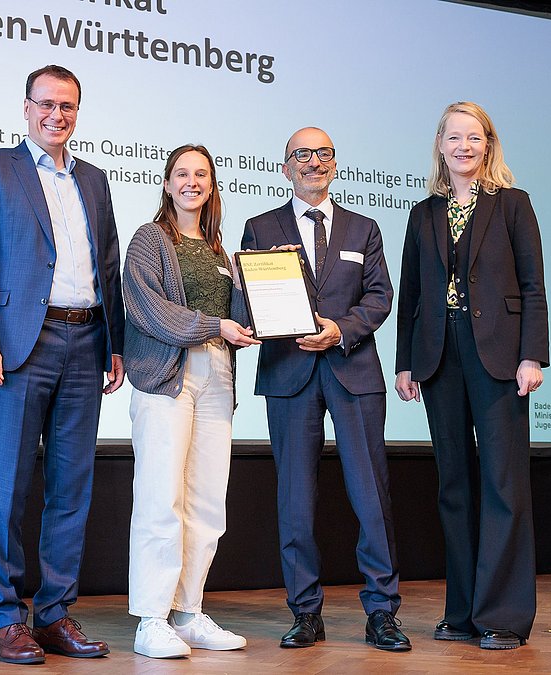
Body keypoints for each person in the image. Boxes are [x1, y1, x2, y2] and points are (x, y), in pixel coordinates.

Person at [0, 64, 125, 666]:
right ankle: (7, 619)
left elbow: (109, 269)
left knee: (71, 490)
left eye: (69, 106)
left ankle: (53, 616)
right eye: (47, 104)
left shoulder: (96, 180)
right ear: (26, 108)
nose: (58, 115)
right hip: (21, 345)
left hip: (86, 343)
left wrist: (115, 343)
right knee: (7, 488)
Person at [242, 127, 410, 652]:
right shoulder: (260, 227)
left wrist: (341, 329)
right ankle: (305, 613)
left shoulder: (365, 228)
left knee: (371, 495)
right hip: (289, 374)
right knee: (295, 498)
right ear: (285, 167)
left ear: (334, 163)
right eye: (302, 155)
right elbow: (246, 306)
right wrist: (258, 288)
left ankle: (382, 611)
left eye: (323, 153)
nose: (314, 162)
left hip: (352, 369)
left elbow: (381, 298)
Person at [393, 101, 549, 650]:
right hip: (439, 356)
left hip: (501, 356)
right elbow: (411, 293)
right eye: (454, 137)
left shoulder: (513, 204)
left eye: (474, 137)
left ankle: (502, 616)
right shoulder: (423, 213)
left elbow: (532, 286)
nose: (463, 146)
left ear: (488, 145)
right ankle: (460, 612)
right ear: (440, 144)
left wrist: (533, 357)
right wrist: (405, 361)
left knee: (503, 484)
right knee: (453, 486)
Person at [122, 145, 259, 659]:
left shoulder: (222, 251)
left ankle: (190, 611)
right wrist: (213, 325)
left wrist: (263, 301)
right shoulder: (149, 240)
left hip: (218, 376)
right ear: (166, 182)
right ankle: (152, 619)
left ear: (212, 184)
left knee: (206, 502)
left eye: (201, 174)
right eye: (182, 173)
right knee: (162, 499)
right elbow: (146, 309)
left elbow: (242, 314)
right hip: (166, 378)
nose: (191, 182)